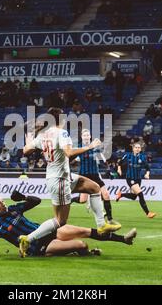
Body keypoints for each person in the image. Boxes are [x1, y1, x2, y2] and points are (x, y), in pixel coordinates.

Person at [21, 107, 121, 257]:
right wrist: (89, 146)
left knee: (94, 188)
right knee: (60, 221)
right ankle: (28, 239)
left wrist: (28, 139)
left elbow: (26, 151)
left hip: (62, 176)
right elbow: (69, 153)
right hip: (60, 180)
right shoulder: (62, 133)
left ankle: (101, 225)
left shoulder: (43, 135)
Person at [0, 191, 137, 257]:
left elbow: (36, 201)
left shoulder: (14, 209)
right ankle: (86, 254)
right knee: (82, 245)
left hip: (45, 231)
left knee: (85, 231)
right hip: (38, 247)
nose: (2, 203)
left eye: (1, 201)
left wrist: (23, 196)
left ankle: (124, 239)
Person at [71, 129, 120, 225]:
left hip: (95, 175)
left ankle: (109, 219)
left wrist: (109, 170)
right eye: (84, 135)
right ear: (82, 137)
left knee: (106, 194)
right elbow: (72, 160)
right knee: (83, 200)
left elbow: (103, 159)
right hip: (84, 175)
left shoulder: (96, 147)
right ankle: (71, 200)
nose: (86, 136)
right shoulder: (79, 148)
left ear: (90, 136)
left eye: (87, 135)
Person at [115, 143, 156, 218]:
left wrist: (147, 174)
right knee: (140, 194)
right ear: (133, 148)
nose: (137, 149)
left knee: (134, 197)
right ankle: (148, 213)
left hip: (138, 179)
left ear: (140, 149)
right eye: (136, 147)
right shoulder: (128, 156)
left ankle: (121, 194)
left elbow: (147, 168)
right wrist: (119, 169)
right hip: (130, 178)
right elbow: (119, 163)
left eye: (139, 147)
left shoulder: (142, 157)